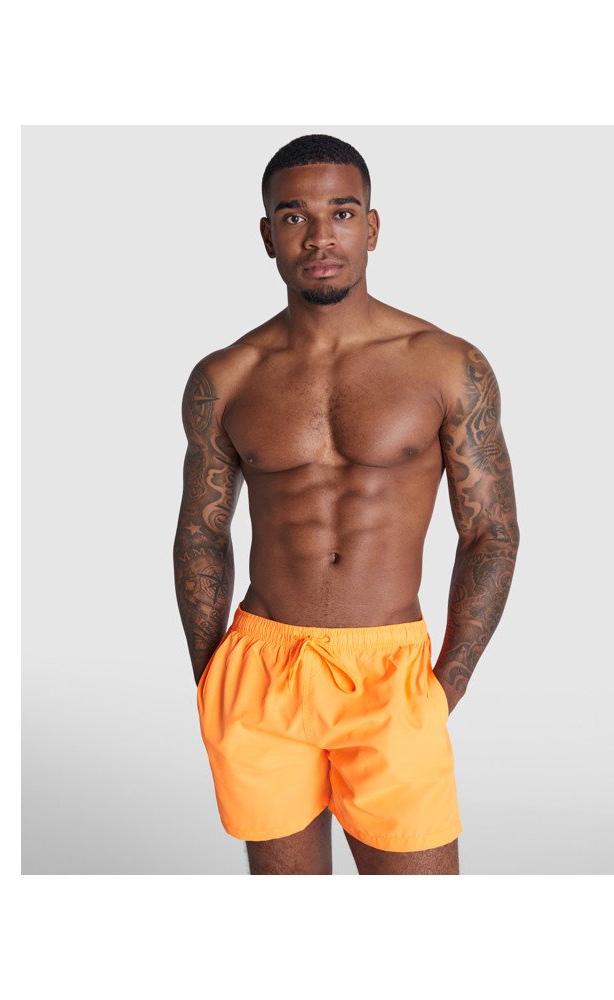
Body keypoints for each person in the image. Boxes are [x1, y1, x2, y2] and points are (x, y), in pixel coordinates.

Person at [174, 134, 519, 875]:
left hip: (391, 672)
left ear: (373, 227)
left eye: (342, 212)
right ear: (267, 234)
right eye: (294, 216)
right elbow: (202, 532)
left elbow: (491, 532)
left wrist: (445, 685)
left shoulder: (446, 364)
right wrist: (210, 674)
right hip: (260, 667)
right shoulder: (227, 377)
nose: (320, 237)